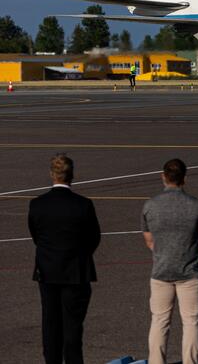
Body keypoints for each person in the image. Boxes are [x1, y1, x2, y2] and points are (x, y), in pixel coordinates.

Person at [28, 154, 101, 364]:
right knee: (73, 329)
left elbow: (36, 235)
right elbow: (94, 237)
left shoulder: (37, 205)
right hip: (75, 273)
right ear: (72, 175)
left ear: (52, 174)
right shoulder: (83, 205)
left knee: (50, 325)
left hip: (48, 272)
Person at [142, 159, 198, 364]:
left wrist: (164, 254)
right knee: (191, 322)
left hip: (161, 271)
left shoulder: (150, 206)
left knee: (160, 321)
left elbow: (149, 240)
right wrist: (189, 257)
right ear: (184, 178)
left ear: (163, 176)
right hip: (189, 271)